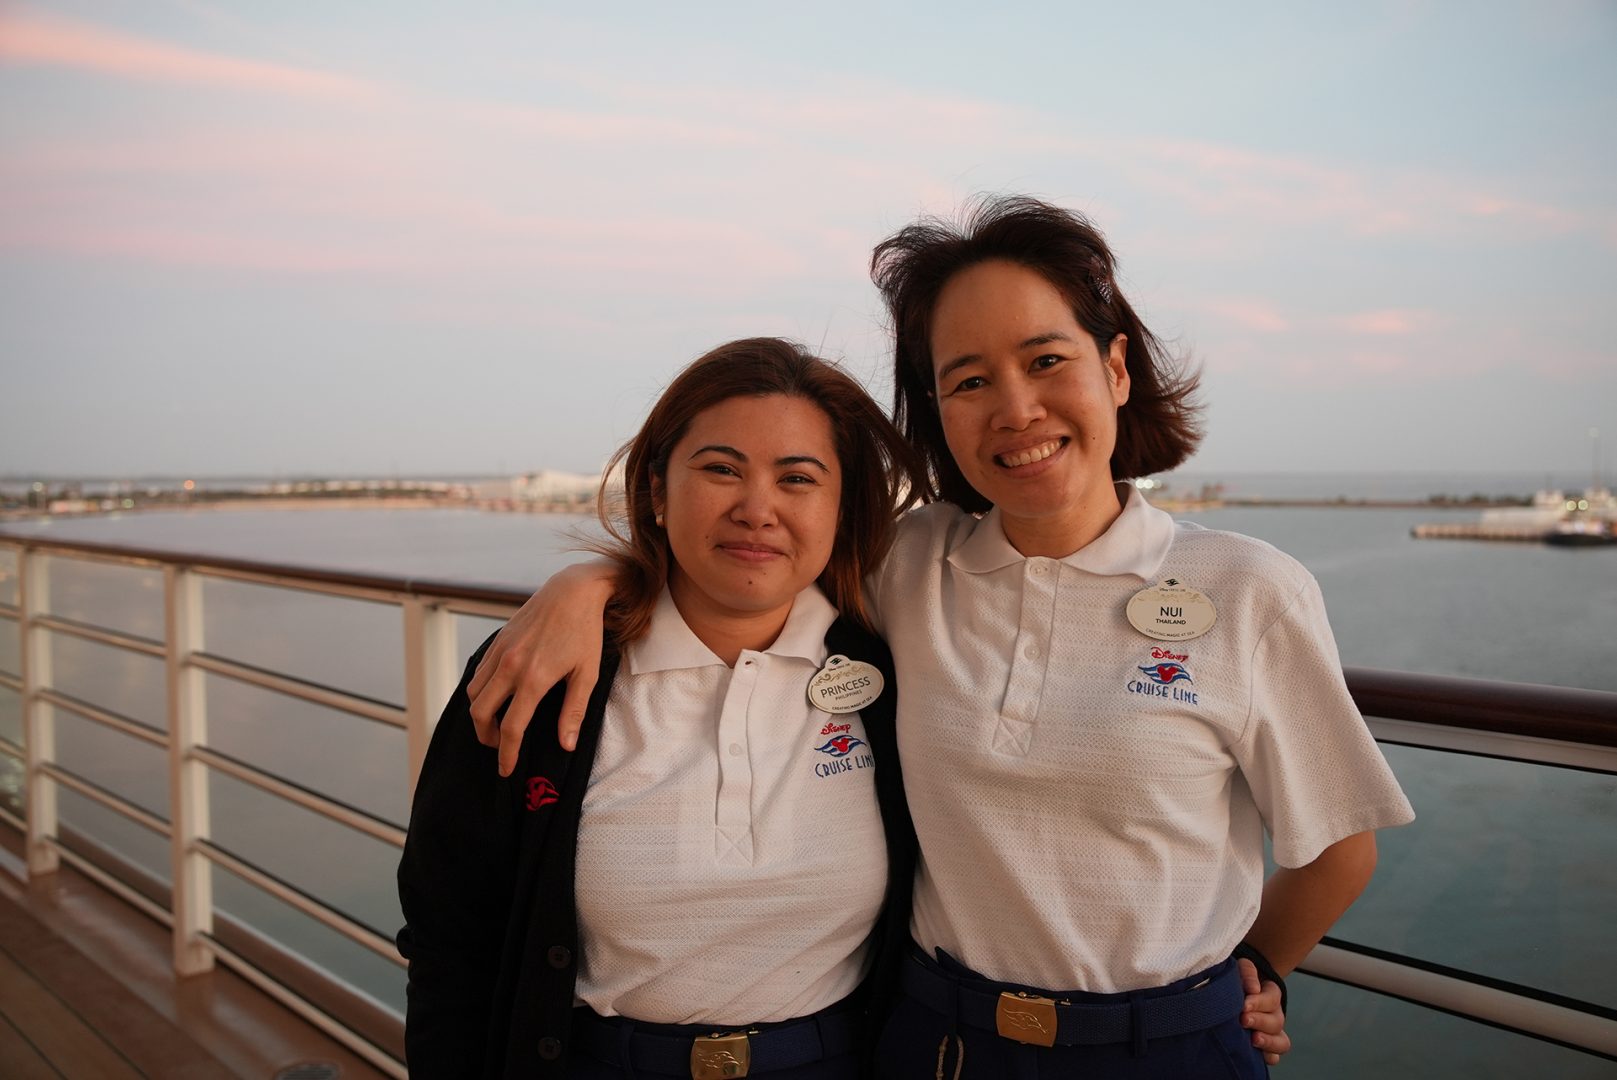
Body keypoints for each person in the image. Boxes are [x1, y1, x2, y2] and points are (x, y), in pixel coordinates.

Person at [468, 198, 1356, 1078]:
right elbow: (744, 558)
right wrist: (586, 583)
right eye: (968, 380)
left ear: (1116, 369)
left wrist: (1257, 970)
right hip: (939, 1042)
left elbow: (1339, 850)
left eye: (1046, 360)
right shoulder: (908, 564)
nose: (1014, 409)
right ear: (934, 410)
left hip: (1164, 1049)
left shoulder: (1248, 590)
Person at [397, 338, 929, 1078]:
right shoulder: (540, 674)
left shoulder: (892, 666)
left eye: (797, 478)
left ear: (842, 507)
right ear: (656, 490)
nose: (756, 510)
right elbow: (448, 932)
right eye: (720, 470)